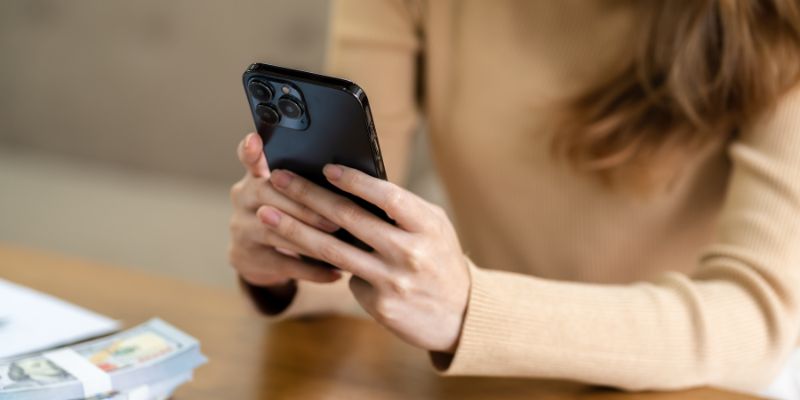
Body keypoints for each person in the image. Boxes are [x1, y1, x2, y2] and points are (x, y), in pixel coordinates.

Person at [228, 0, 800, 395]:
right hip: (487, 376)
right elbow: (373, 260)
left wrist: (473, 310)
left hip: (693, 382)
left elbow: (758, 321)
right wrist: (291, 252)